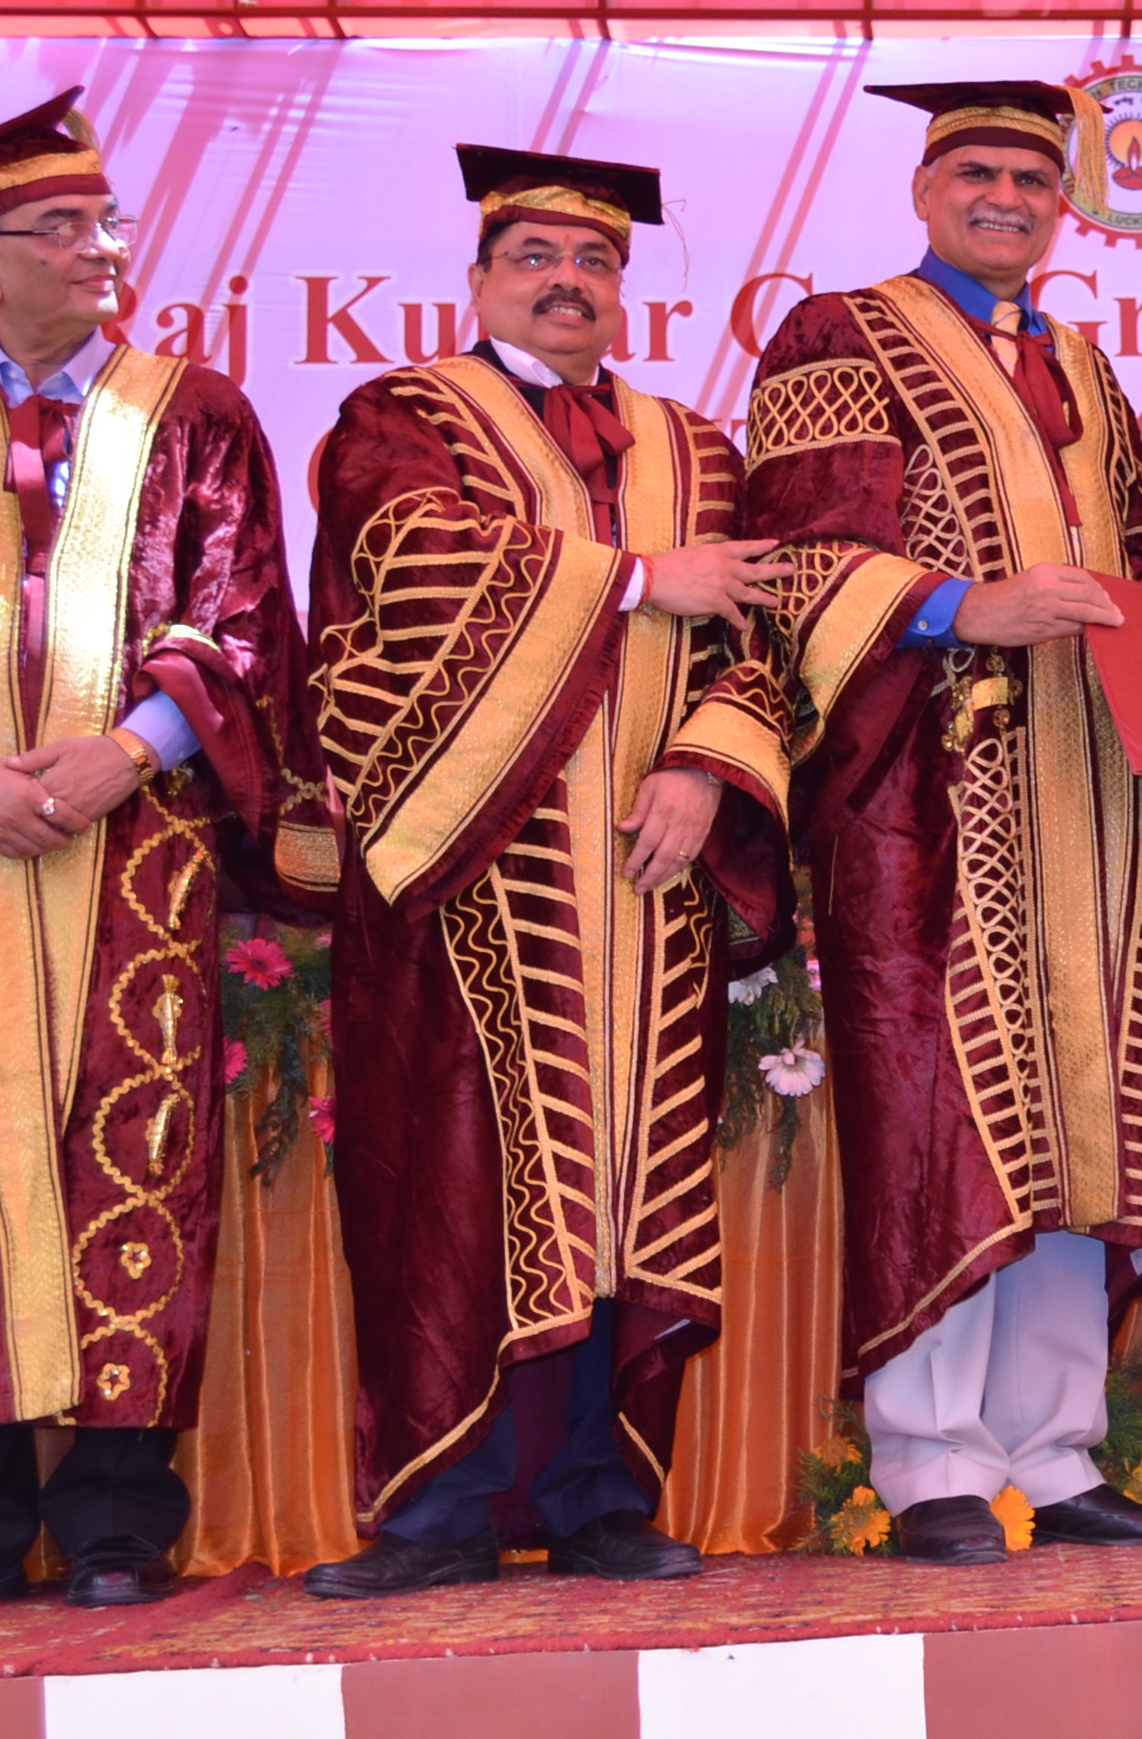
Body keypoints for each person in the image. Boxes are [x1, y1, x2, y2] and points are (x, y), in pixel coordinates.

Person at [0, 90, 327, 1614]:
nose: (100, 249)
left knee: (134, 1146)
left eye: (106, 223)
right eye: (59, 228)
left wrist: (132, 749)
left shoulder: (196, 414)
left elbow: (243, 615)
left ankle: (116, 1517)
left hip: (139, 851)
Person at [300, 146, 796, 1598]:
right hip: (470, 872)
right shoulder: (404, 416)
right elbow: (410, 565)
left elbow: (762, 639)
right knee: (460, 1184)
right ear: (478, 280)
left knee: (632, 1186)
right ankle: (439, 1511)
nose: (567, 282)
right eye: (534, 259)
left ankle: (599, 1496)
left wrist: (705, 767)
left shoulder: (694, 448)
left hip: (646, 877)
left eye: (594, 263)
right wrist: (637, 579)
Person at [737, 80, 1142, 1560]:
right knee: (946, 1108)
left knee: (1085, 1111)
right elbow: (797, 549)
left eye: (1032, 178)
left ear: (1065, 206)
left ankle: (1054, 1452)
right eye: (978, 172)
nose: (1006, 198)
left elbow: (1129, 550)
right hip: (927, 789)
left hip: (1093, 786)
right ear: (926, 187)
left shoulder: (1082, 364)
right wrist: (958, 606)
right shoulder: (839, 333)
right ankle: (933, 1460)